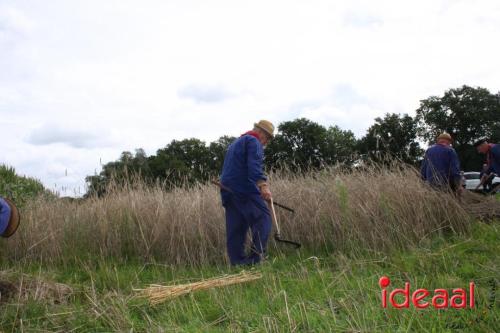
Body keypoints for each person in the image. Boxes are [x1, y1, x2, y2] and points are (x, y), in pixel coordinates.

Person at [219, 120, 274, 265]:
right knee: (263, 219)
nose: (266, 143)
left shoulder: (235, 143)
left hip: (227, 190)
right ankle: (256, 259)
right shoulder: (253, 141)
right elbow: (254, 165)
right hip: (244, 189)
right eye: (267, 139)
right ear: (261, 133)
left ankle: (237, 263)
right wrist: (263, 185)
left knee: (236, 226)